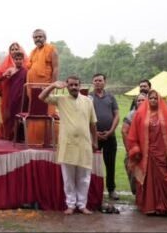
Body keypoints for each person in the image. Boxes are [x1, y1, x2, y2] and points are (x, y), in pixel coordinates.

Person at [39, 76, 97, 215]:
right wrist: (53, 85)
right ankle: (70, 205)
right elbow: (41, 96)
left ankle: (82, 205)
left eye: (76, 85)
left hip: (84, 144)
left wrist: (95, 140)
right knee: (68, 178)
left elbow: (93, 123)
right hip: (68, 144)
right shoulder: (61, 99)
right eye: (70, 85)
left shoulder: (88, 101)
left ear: (80, 85)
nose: (73, 87)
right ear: (66, 86)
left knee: (84, 178)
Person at [126, 89, 167, 216]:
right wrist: (135, 149)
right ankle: (151, 206)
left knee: (165, 181)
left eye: (155, 98)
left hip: (164, 155)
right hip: (148, 155)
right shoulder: (140, 115)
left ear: (159, 99)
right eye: (151, 98)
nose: (153, 100)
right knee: (149, 181)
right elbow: (133, 134)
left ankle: (166, 207)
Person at [91, 73, 120, 201]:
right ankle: (93, 190)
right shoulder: (88, 97)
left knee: (110, 164)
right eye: (96, 80)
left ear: (105, 82)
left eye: (100, 80)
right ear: (93, 83)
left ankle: (111, 189)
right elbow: (85, 117)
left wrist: (110, 131)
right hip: (94, 137)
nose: (98, 82)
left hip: (110, 136)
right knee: (92, 165)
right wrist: (94, 133)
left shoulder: (111, 97)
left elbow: (117, 115)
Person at [27, 29, 59, 145]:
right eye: (35, 37)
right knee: (35, 113)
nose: (38, 39)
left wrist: (52, 85)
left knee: (46, 113)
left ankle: (46, 140)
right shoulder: (33, 52)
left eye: (40, 37)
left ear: (45, 37)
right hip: (33, 88)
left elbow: (55, 68)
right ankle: (34, 140)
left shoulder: (51, 49)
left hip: (45, 88)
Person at [0, 43, 30, 140]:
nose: (18, 61)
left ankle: (20, 136)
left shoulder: (26, 71)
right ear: (13, 59)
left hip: (23, 97)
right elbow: (0, 78)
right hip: (12, 96)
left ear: (23, 60)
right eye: (16, 59)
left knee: (21, 114)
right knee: (11, 114)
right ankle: (11, 135)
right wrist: (4, 76)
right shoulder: (10, 69)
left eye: (20, 59)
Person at [122, 93, 148, 195]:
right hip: (134, 150)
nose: (141, 102)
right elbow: (124, 131)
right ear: (135, 102)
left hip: (148, 151)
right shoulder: (131, 115)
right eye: (139, 100)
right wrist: (129, 149)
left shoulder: (151, 113)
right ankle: (137, 194)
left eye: (143, 100)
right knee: (134, 173)